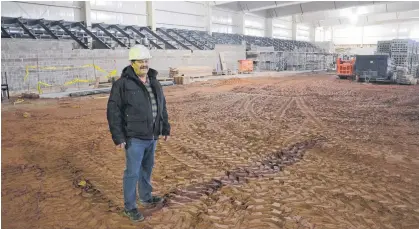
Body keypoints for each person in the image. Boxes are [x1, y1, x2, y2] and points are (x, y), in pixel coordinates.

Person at [106, 44, 171, 222]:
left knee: (147, 168)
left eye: (146, 60)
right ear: (132, 63)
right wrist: (118, 137)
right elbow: (114, 111)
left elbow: (162, 106)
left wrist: (165, 128)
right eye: (140, 61)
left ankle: (146, 197)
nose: (144, 64)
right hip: (134, 137)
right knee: (132, 173)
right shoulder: (122, 85)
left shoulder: (154, 81)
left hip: (152, 136)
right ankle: (130, 207)